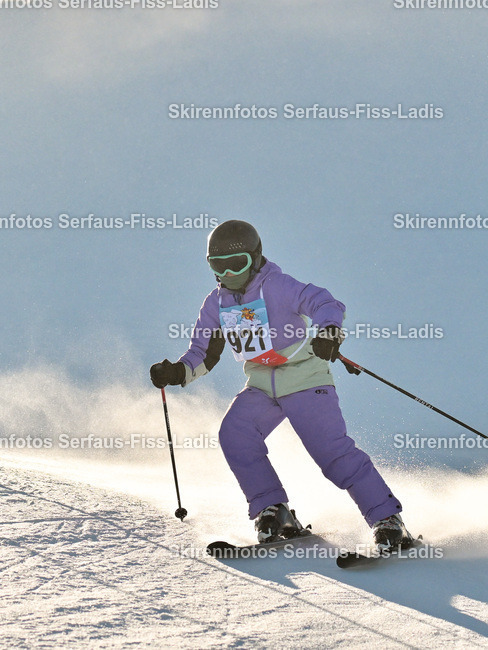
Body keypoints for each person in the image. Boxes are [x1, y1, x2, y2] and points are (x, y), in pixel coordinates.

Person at [150, 220, 414, 551]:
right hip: (262, 384)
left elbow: (324, 303)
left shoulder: (276, 285)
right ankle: (273, 512)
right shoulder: (217, 304)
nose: (228, 274)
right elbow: (203, 354)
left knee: (332, 453)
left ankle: (388, 521)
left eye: (237, 264)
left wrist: (328, 331)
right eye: (218, 266)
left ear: (256, 258)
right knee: (235, 434)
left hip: (304, 379)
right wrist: (175, 372)